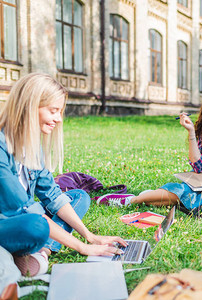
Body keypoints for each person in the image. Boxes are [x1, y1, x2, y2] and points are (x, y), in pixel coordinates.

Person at [0, 73, 127, 277]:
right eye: (53, 111)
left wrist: (90, 236)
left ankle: (41, 252)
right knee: (36, 224)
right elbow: (24, 209)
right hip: (9, 222)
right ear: (30, 107)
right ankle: (34, 252)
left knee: (79, 197)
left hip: (26, 216)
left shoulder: (32, 147)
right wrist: (83, 247)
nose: (58, 119)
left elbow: (52, 194)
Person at [97, 70, 202, 212]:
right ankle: (131, 200)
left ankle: (151, 196)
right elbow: (198, 165)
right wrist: (191, 133)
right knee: (183, 193)